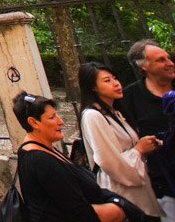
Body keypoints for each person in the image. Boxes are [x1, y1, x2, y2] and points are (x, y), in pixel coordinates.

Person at [13, 91, 125, 222]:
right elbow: (79, 212)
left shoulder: (45, 148)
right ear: (34, 122)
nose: (60, 121)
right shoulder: (39, 159)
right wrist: (120, 210)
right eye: (52, 117)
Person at [79, 61, 163, 220]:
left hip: (138, 189)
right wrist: (138, 149)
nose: (116, 83)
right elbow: (109, 162)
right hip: (121, 190)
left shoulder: (113, 112)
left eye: (114, 78)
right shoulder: (93, 116)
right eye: (107, 81)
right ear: (93, 87)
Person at [123, 39, 175, 219]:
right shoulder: (130, 97)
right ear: (143, 66)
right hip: (165, 185)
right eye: (161, 60)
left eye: (169, 58)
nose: (170, 63)